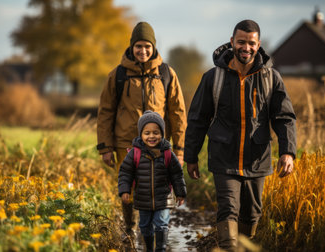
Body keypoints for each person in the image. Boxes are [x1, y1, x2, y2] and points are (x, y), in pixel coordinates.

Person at [184, 20, 296, 250]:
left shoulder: (271, 78)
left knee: (252, 214)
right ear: (232, 41)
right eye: (241, 42)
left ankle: (243, 246)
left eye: (251, 43)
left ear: (259, 44)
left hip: (257, 157)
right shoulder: (213, 78)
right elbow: (198, 118)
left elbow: (284, 118)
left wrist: (288, 151)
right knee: (228, 208)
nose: (246, 47)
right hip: (224, 156)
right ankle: (228, 247)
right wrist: (191, 155)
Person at [97, 21, 187, 239]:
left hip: (159, 146)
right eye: (139, 46)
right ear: (131, 47)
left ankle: (154, 232)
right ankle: (129, 229)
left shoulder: (167, 74)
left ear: (153, 47)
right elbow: (105, 112)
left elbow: (177, 113)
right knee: (127, 189)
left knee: (156, 188)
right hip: (125, 144)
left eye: (147, 46)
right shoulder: (117, 75)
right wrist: (105, 148)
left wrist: (180, 150)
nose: (143, 51)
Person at [118, 110, 186, 252]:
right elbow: (125, 172)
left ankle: (160, 249)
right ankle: (149, 248)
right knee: (145, 225)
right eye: (147, 133)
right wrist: (125, 190)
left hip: (163, 197)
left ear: (162, 133)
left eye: (156, 132)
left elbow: (176, 174)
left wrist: (180, 192)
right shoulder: (135, 153)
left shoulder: (167, 153)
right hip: (143, 198)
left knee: (161, 224)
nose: (151, 136)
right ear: (140, 134)